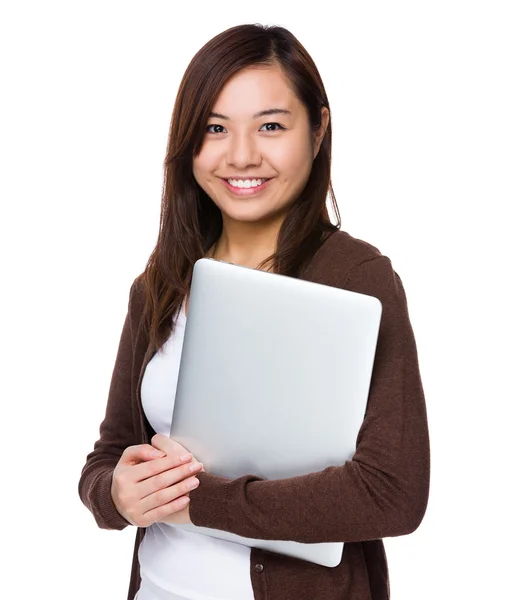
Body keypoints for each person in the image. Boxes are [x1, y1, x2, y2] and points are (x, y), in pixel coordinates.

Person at [78, 23, 430, 600]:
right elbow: (108, 457)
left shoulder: (357, 280)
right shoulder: (158, 284)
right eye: (215, 128)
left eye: (270, 126)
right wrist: (114, 494)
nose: (241, 155)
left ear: (318, 130)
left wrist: (203, 502)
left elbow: (393, 491)